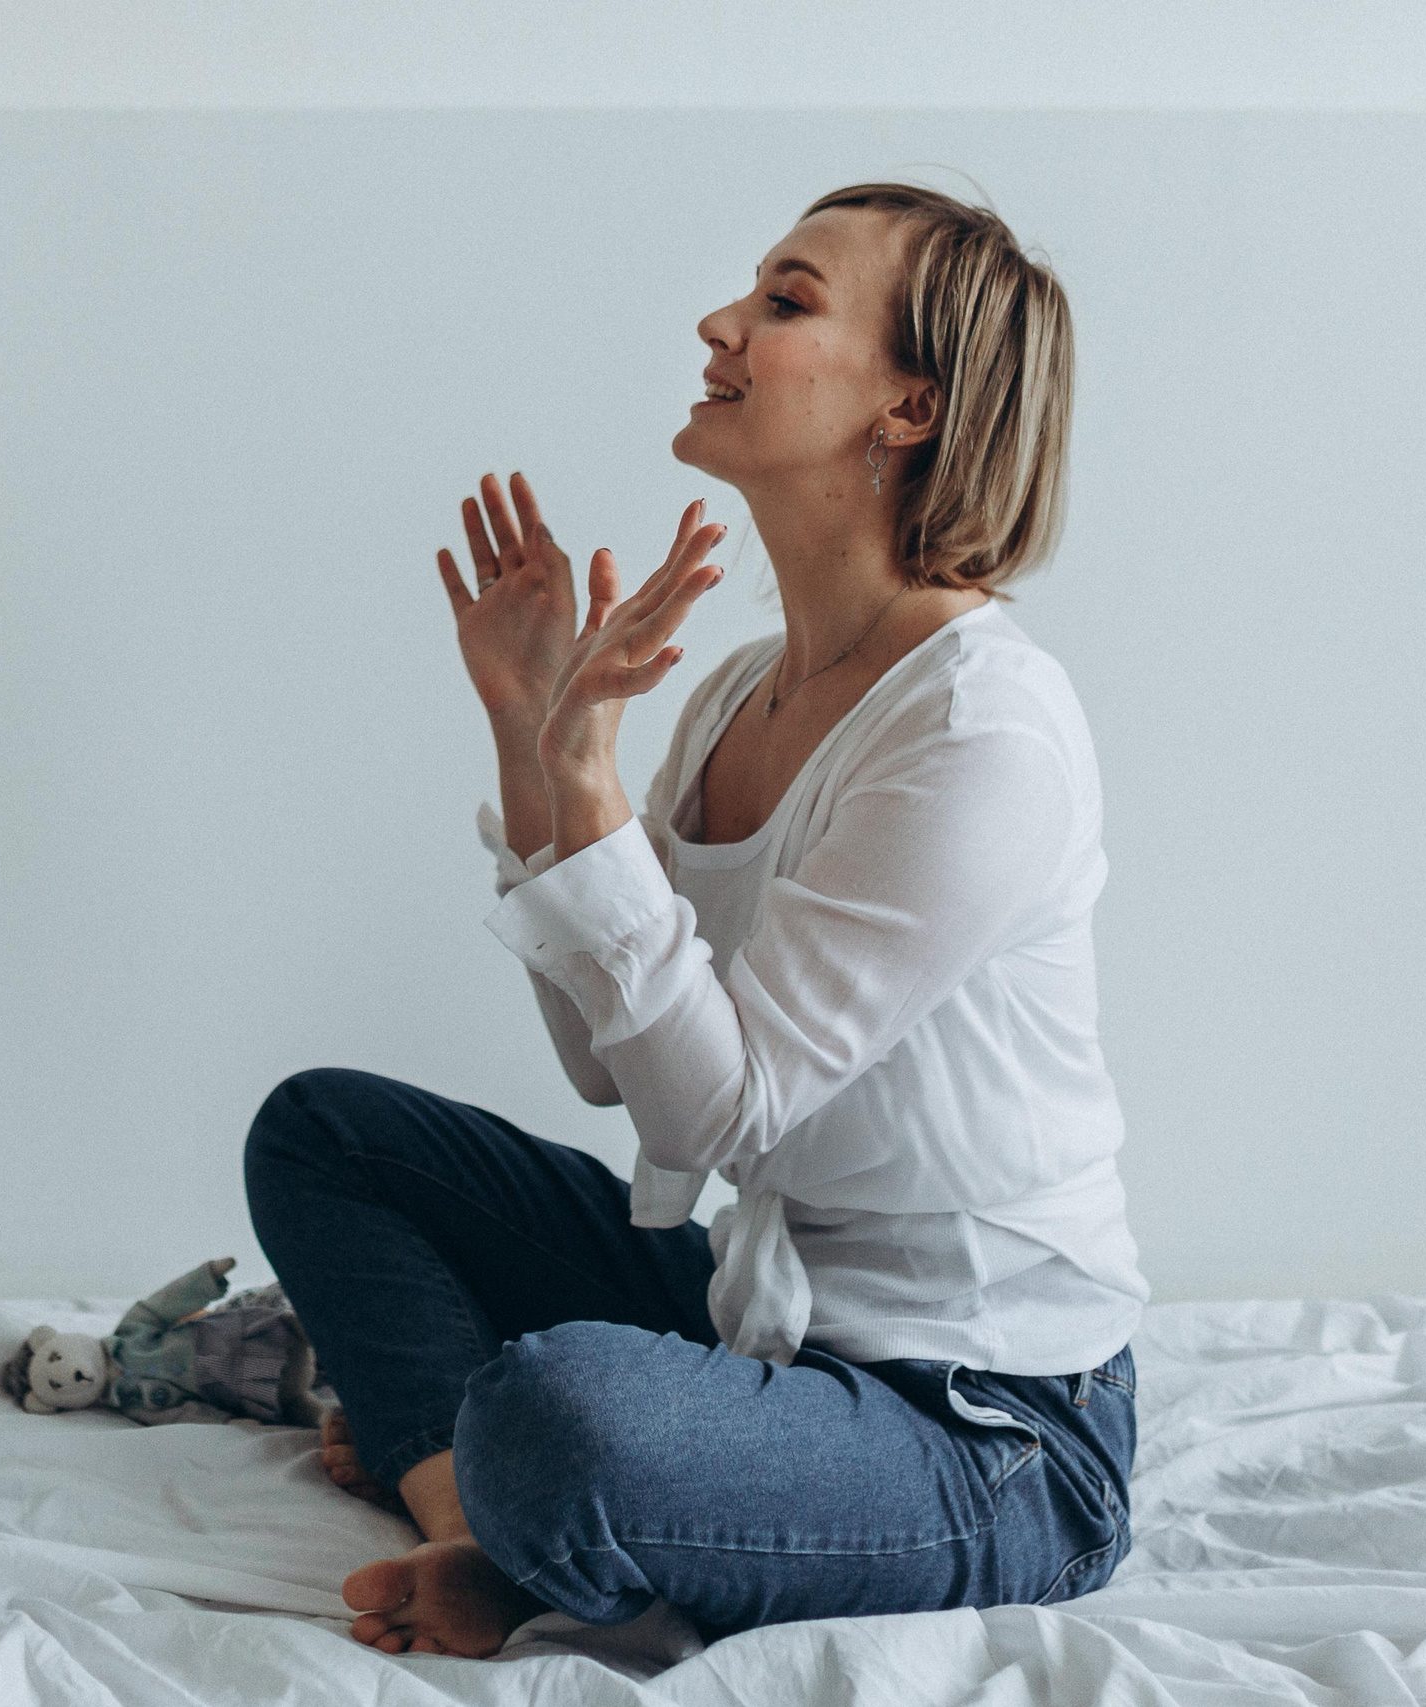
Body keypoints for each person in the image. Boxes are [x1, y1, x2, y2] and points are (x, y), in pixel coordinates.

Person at [245, 183, 1147, 1656]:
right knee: (324, 1135)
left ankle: (516, 1495)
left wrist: (592, 787)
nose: (719, 323)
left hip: (988, 1429)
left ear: (910, 405)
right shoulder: (738, 691)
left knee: (556, 1409)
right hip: (762, 1314)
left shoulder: (982, 729)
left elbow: (717, 1110)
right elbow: (612, 1074)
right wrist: (533, 735)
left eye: (786, 302)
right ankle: (473, 1522)